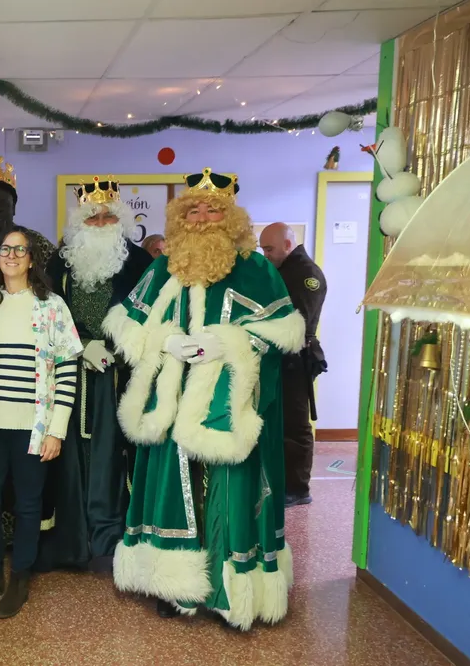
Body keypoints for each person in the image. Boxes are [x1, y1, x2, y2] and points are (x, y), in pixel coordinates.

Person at [104, 169, 305, 628]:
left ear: (230, 217)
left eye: (212, 209)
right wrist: (167, 343)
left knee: (229, 491)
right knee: (177, 487)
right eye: (192, 209)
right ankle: (176, 587)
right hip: (174, 405)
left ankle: (228, 589)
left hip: (230, 406)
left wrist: (231, 345)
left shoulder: (256, 269)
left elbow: (283, 336)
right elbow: (131, 327)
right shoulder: (164, 266)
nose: (201, 217)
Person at [0, 226, 82, 619]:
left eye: (20, 250)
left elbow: (67, 370)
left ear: (32, 258)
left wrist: (57, 429)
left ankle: (20, 579)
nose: (12, 255)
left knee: (29, 504)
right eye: (5, 250)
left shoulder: (52, 305)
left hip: (32, 424)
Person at [40, 176, 152, 573]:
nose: (101, 223)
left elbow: (152, 318)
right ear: (79, 224)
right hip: (70, 372)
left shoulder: (141, 263)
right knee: (67, 457)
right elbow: (47, 312)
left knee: (112, 457)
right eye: (93, 218)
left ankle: (113, 539)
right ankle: (70, 541)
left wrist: (119, 346)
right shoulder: (59, 261)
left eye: (108, 217)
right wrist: (81, 345)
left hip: (119, 378)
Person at [259, 222, 328, 507]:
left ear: (288, 245)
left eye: (269, 248)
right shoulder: (285, 270)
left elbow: (294, 322)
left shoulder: (305, 274)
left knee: (295, 425)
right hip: (281, 358)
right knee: (281, 422)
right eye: (263, 248)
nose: (265, 254)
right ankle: (283, 482)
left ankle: (298, 488)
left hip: (295, 358)